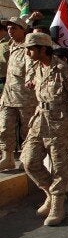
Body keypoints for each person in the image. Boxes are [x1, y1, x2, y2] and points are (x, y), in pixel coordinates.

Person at [20, 32, 68, 226]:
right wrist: (30, 84)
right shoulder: (36, 66)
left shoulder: (62, 68)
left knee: (58, 165)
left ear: (42, 49)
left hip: (59, 121)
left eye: (31, 48)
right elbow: (30, 81)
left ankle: (57, 205)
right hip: (39, 120)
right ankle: (51, 193)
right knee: (29, 160)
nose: (28, 52)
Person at [0, 17, 37, 171]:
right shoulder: (11, 46)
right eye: (8, 28)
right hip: (8, 96)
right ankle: (7, 157)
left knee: (27, 131)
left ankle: (27, 158)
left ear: (23, 30)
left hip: (25, 98)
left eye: (14, 28)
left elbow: (31, 69)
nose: (10, 31)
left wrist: (30, 80)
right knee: (4, 127)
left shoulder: (28, 48)